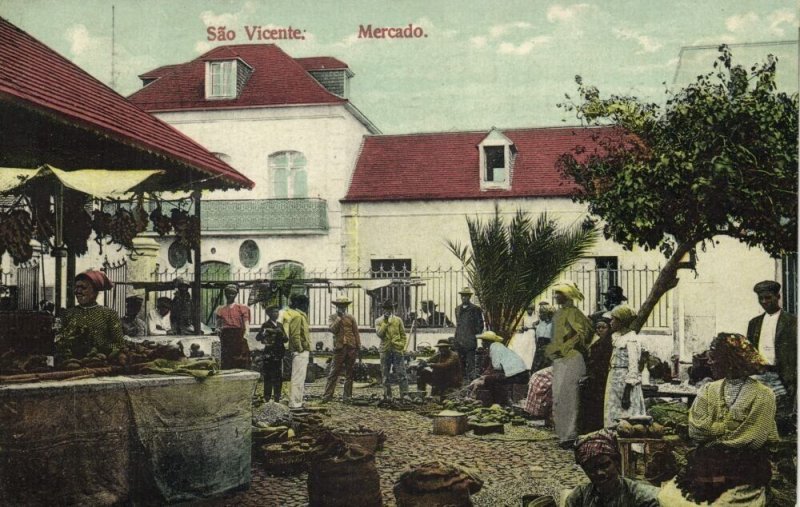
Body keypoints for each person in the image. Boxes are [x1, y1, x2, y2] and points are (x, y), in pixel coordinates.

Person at [658, 333, 778, 506]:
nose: (709, 363)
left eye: (713, 358)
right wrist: (727, 430)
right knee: (666, 499)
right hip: (708, 465)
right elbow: (696, 430)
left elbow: (754, 438)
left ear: (730, 360)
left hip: (744, 469)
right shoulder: (708, 390)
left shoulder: (764, 395)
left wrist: (713, 436)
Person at [546, 281, 593, 448]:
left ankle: (570, 436)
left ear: (566, 296)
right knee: (558, 395)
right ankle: (562, 433)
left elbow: (582, 334)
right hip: (560, 359)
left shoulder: (574, 313)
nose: (556, 296)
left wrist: (566, 346)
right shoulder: (559, 313)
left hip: (572, 358)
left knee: (570, 397)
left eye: (559, 293)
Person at [566, 429, 659, 506]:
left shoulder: (642, 498)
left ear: (617, 462)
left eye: (605, 465)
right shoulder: (578, 498)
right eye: (591, 469)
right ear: (585, 471)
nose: (599, 473)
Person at [746, 280, 796, 419]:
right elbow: (749, 352)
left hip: (782, 377)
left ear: (778, 297)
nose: (764, 301)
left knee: (780, 417)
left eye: (768, 297)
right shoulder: (754, 323)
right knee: (757, 415)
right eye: (760, 298)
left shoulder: (792, 322)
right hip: (759, 375)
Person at [55, 270, 124, 362]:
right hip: (71, 362)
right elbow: (58, 339)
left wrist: (100, 349)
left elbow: (119, 343)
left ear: (95, 291)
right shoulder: (67, 314)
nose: (77, 291)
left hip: (99, 362)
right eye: (76, 287)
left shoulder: (109, 314)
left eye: (83, 287)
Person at [604, 305, 647, 428]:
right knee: (613, 411)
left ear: (621, 321)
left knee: (626, 412)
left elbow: (633, 366)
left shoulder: (631, 340)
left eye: (613, 320)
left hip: (625, 382)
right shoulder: (617, 337)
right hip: (614, 379)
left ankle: (630, 444)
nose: (611, 322)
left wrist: (627, 391)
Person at [473, 331, 530, 405]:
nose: (482, 343)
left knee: (489, 380)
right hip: (523, 374)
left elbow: (497, 367)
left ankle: (499, 402)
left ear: (487, 342)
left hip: (518, 376)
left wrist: (485, 377)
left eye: (483, 341)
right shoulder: (498, 346)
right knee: (492, 378)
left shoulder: (494, 348)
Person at [322, 296, 361, 403]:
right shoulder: (332, 317)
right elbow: (332, 329)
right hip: (339, 348)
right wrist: (339, 318)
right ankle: (327, 396)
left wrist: (358, 346)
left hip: (351, 347)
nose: (342, 308)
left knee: (350, 373)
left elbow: (356, 332)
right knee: (333, 372)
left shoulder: (351, 318)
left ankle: (347, 396)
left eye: (344, 306)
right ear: (336, 307)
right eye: (340, 306)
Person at [580, 313, 614, 433]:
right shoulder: (597, 341)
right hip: (594, 377)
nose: (600, 330)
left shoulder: (609, 343)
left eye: (603, 327)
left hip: (601, 378)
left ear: (608, 328)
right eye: (598, 328)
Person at [375, 299, 409, 400]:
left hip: (397, 349)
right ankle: (388, 395)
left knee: (401, 373)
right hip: (385, 350)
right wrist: (385, 323)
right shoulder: (378, 321)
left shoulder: (398, 320)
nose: (388, 311)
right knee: (385, 374)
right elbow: (379, 334)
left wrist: (401, 345)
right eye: (386, 309)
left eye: (390, 309)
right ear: (383, 310)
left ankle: (405, 395)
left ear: (392, 309)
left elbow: (403, 334)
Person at [283, 293, 311, 409]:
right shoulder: (298, 316)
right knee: (298, 378)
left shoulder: (296, 314)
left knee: (297, 377)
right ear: (302, 304)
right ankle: (295, 403)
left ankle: (295, 401)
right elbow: (295, 335)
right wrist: (299, 349)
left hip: (299, 350)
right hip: (300, 351)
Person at [215, 284, 251, 369]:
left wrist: (246, 335)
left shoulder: (242, 308)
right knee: (227, 356)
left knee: (239, 356)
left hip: (238, 334)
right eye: (228, 293)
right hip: (226, 335)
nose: (230, 295)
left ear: (236, 294)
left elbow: (246, 323)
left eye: (232, 293)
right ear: (225, 294)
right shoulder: (220, 309)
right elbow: (218, 324)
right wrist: (218, 330)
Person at [256, 305, 287, 402]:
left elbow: (286, 339)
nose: (276, 314)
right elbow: (258, 337)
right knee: (268, 376)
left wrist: (280, 332)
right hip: (269, 354)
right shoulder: (265, 325)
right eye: (274, 312)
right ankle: (267, 397)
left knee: (278, 376)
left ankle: (277, 396)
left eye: (277, 312)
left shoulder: (280, 325)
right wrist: (266, 333)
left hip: (278, 354)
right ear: (269, 314)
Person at [454, 286, 484, 381]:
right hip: (459, 341)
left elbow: (480, 325)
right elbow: (458, 325)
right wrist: (456, 338)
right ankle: (461, 384)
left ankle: (471, 384)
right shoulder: (457, 309)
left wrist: (474, 336)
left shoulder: (475, 309)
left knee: (471, 364)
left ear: (469, 297)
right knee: (460, 365)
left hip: (470, 341)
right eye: (462, 296)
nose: (464, 298)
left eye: (466, 296)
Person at [510, 304, 537, 371]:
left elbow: (537, 326)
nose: (529, 311)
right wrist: (523, 328)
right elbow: (520, 326)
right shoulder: (524, 317)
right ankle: (525, 364)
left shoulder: (536, 317)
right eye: (528, 309)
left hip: (532, 333)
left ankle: (531, 364)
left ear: (533, 310)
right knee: (525, 348)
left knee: (531, 348)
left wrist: (531, 327)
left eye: (531, 309)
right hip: (526, 334)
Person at [531, 302, 554, 371]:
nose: (540, 315)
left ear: (547, 314)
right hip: (539, 349)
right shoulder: (540, 325)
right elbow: (537, 339)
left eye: (542, 313)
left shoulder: (554, 325)